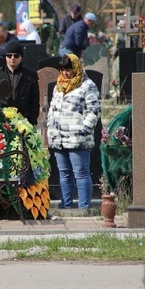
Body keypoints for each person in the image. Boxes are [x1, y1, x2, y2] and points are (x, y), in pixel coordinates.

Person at [47, 54, 100, 209]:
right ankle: (66, 206)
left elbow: (94, 111)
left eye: (68, 69)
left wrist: (83, 130)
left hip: (78, 139)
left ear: (76, 68)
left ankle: (84, 208)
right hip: (59, 138)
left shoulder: (87, 86)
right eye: (62, 69)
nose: (65, 73)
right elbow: (52, 109)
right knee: (64, 174)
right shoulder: (59, 86)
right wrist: (51, 127)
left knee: (81, 173)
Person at [0, 40, 40, 126]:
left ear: (21, 57)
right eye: (9, 55)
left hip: (24, 121)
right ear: (5, 57)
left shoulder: (31, 76)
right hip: (2, 122)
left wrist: (31, 122)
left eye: (16, 55)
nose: (12, 58)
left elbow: (34, 102)